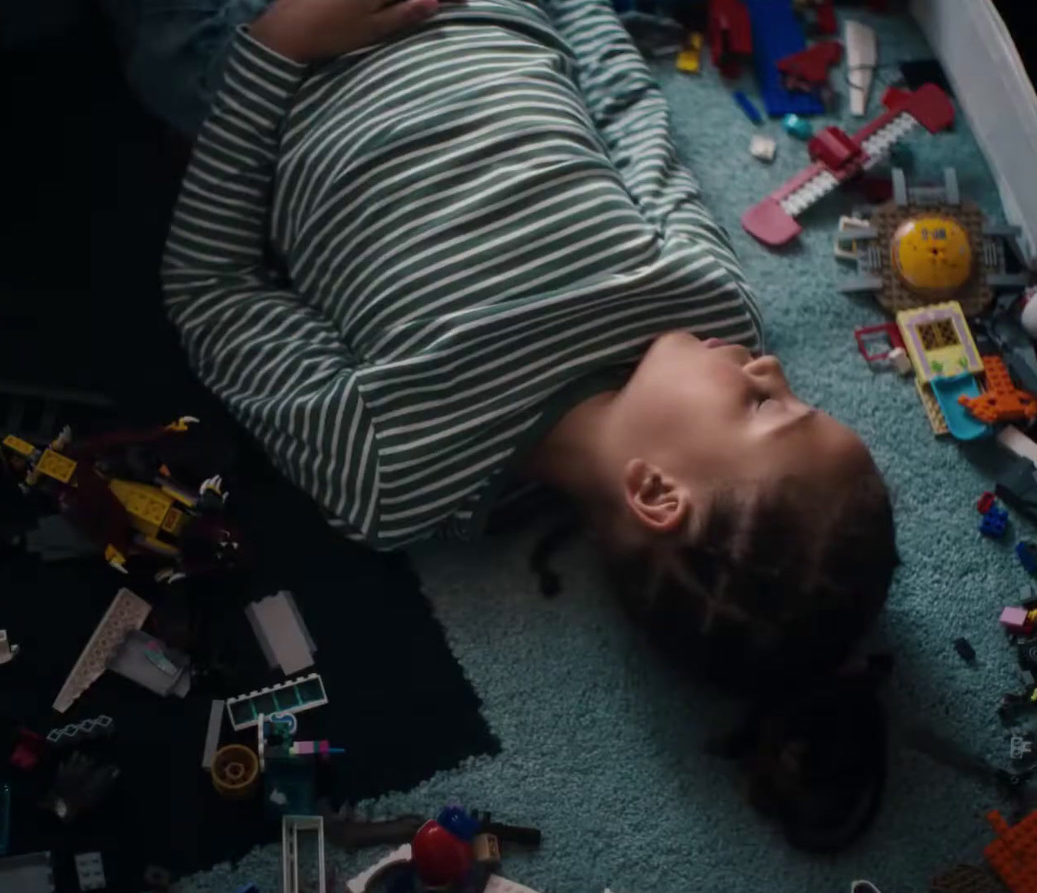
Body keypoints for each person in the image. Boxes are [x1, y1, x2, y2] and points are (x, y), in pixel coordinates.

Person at [133, 0, 899, 692]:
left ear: (658, 492)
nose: (767, 363)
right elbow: (626, 110)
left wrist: (274, 48)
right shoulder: (703, 304)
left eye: (766, 403)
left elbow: (212, 284)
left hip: (254, 52)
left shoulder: (392, 472)